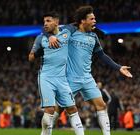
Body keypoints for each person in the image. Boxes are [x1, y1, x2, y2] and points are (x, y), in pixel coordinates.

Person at [48, 6, 132, 135]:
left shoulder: (93, 37)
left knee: (102, 105)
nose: (95, 21)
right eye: (91, 19)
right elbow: (51, 28)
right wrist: (50, 37)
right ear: (83, 21)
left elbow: (102, 55)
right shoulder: (71, 30)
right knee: (58, 109)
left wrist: (118, 67)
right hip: (70, 78)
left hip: (87, 78)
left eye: (95, 18)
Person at [28, 11, 84, 135]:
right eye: (44, 22)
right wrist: (39, 52)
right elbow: (30, 57)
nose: (45, 24)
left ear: (57, 22)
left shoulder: (66, 32)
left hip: (62, 79)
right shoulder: (40, 38)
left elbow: (79, 23)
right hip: (46, 77)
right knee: (50, 109)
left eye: (48, 21)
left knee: (72, 108)